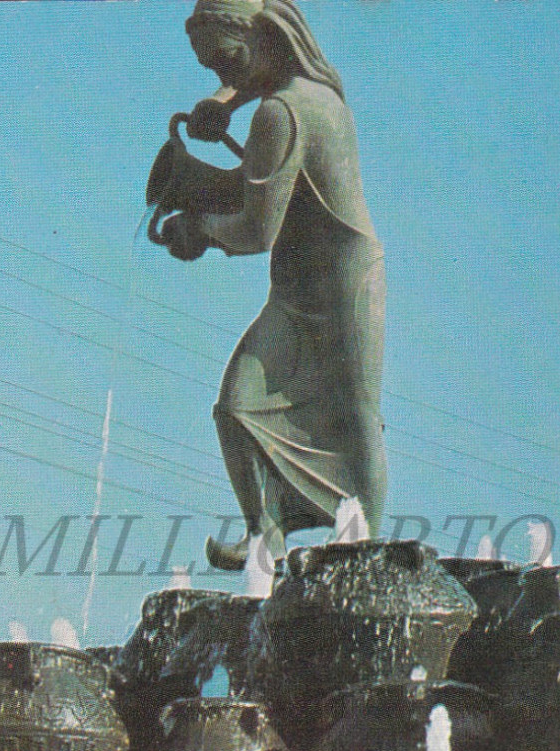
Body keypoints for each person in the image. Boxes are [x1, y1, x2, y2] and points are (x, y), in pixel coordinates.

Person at [157, 0, 388, 571]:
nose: (222, 77)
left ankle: (360, 548)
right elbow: (255, 180)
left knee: (355, 413)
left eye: (227, 61)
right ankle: (267, 534)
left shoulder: (284, 114)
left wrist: (199, 230)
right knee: (238, 407)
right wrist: (223, 101)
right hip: (296, 287)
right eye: (211, 69)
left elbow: (259, 225)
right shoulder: (303, 99)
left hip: (341, 287)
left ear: (264, 38)